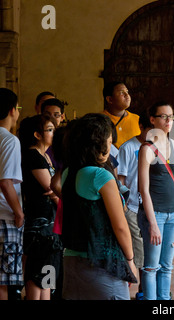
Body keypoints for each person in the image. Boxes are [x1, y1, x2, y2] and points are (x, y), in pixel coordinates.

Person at [61, 113, 137, 300]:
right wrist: (129, 260)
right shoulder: (100, 176)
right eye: (108, 142)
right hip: (101, 263)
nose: (110, 147)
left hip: (71, 260)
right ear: (97, 144)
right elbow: (120, 226)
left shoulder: (69, 172)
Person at [137, 102, 174, 300]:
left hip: (173, 213)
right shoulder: (147, 149)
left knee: (167, 266)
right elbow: (143, 188)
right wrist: (152, 223)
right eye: (164, 117)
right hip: (154, 213)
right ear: (152, 119)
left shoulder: (173, 144)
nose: (169, 121)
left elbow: (170, 177)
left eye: (171, 117)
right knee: (151, 267)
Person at [18, 114, 63, 300]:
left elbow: (54, 191)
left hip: (50, 223)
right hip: (40, 224)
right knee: (38, 274)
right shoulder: (32, 155)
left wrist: (56, 194)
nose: (54, 134)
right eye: (50, 130)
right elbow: (50, 187)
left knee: (48, 274)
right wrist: (57, 195)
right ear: (37, 134)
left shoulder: (45, 155)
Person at [117, 113, 152, 300]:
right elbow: (121, 179)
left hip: (153, 207)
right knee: (139, 249)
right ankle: (142, 291)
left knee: (151, 248)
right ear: (142, 126)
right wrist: (124, 206)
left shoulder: (160, 147)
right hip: (133, 206)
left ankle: (148, 289)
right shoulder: (128, 148)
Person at [0, 88, 24, 300]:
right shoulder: (9, 140)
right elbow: (6, 182)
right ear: (12, 110)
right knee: (4, 282)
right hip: (5, 217)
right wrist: (19, 213)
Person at [102, 81, 140, 149]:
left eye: (127, 92)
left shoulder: (137, 119)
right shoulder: (100, 120)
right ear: (110, 99)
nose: (127, 95)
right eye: (121, 92)